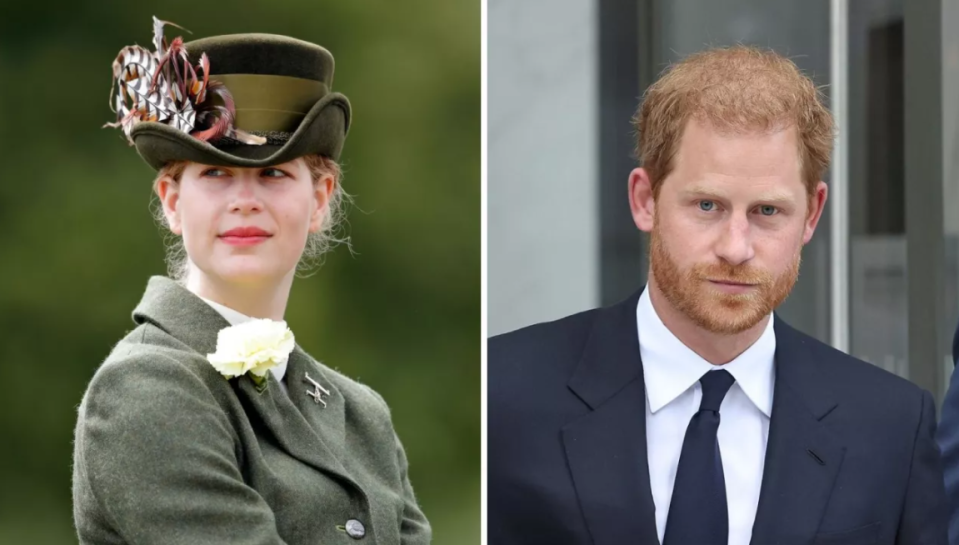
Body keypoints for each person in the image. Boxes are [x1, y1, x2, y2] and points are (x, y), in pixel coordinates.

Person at [488, 45, 947, 545]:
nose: (735, 247)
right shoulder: (503, 393)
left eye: (768, 211)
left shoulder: (891, 426)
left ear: (812, 215)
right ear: (646, 200)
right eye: (707, 205)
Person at [72, 19, 431, 545]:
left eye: (275, 173)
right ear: (173, 200)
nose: (244, 198)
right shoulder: (144, 388)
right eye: (214, 174)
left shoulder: (362, 414)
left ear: (320, 197)